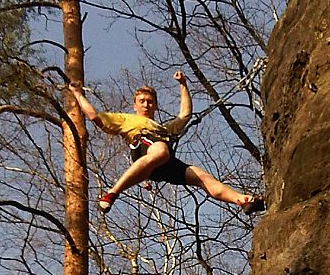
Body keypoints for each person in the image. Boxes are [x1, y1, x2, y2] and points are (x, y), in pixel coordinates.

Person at [69, 71, 265, 215]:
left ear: (156, 105)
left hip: (162, 161)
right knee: (161, 151)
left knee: (201, 176)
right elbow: (94, 116)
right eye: (142, 101)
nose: (146, 104)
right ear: (134, 104)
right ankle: (111, 193)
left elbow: (185, 115)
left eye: (150, 101)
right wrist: (78, 94)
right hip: (144, 147)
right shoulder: (125, 119)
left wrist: (183, 85)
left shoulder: (164, 129)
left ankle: (244, 200)